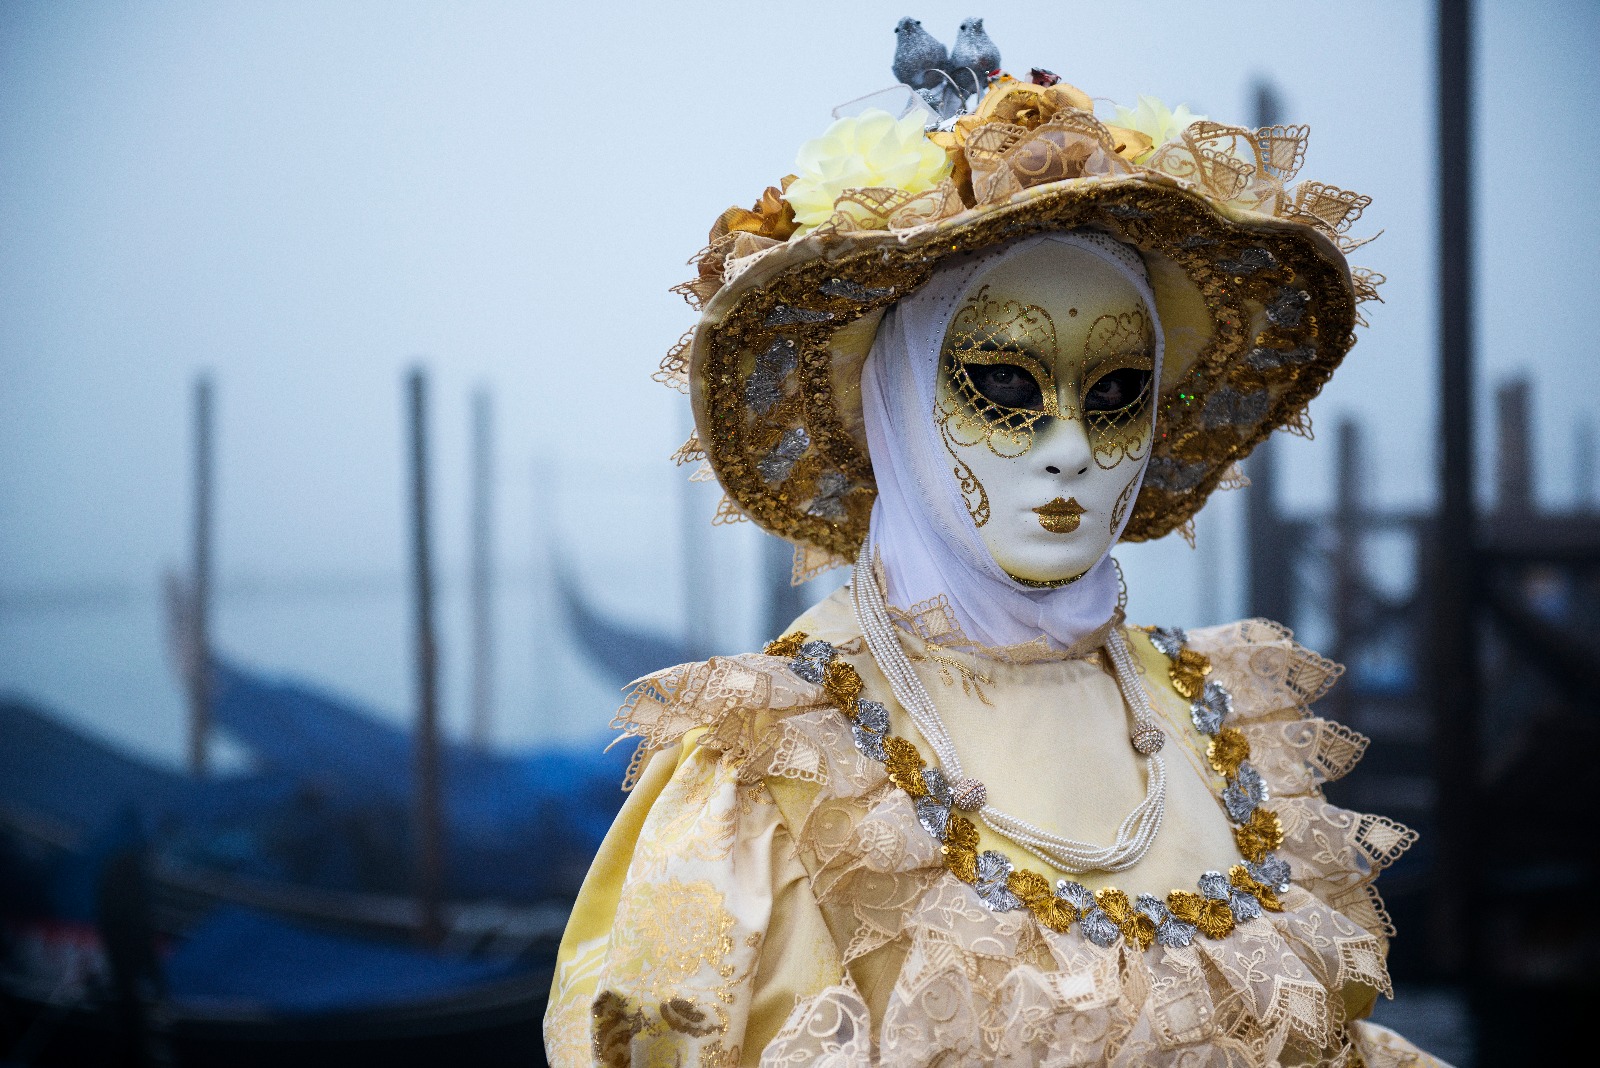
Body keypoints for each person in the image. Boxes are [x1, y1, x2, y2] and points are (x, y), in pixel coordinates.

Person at [545, 30, 1445, 1067]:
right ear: (891, 400)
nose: (1071, 449)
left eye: (1117, 393)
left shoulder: (1224, 723)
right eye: (1005, 385)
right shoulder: (777, 772)